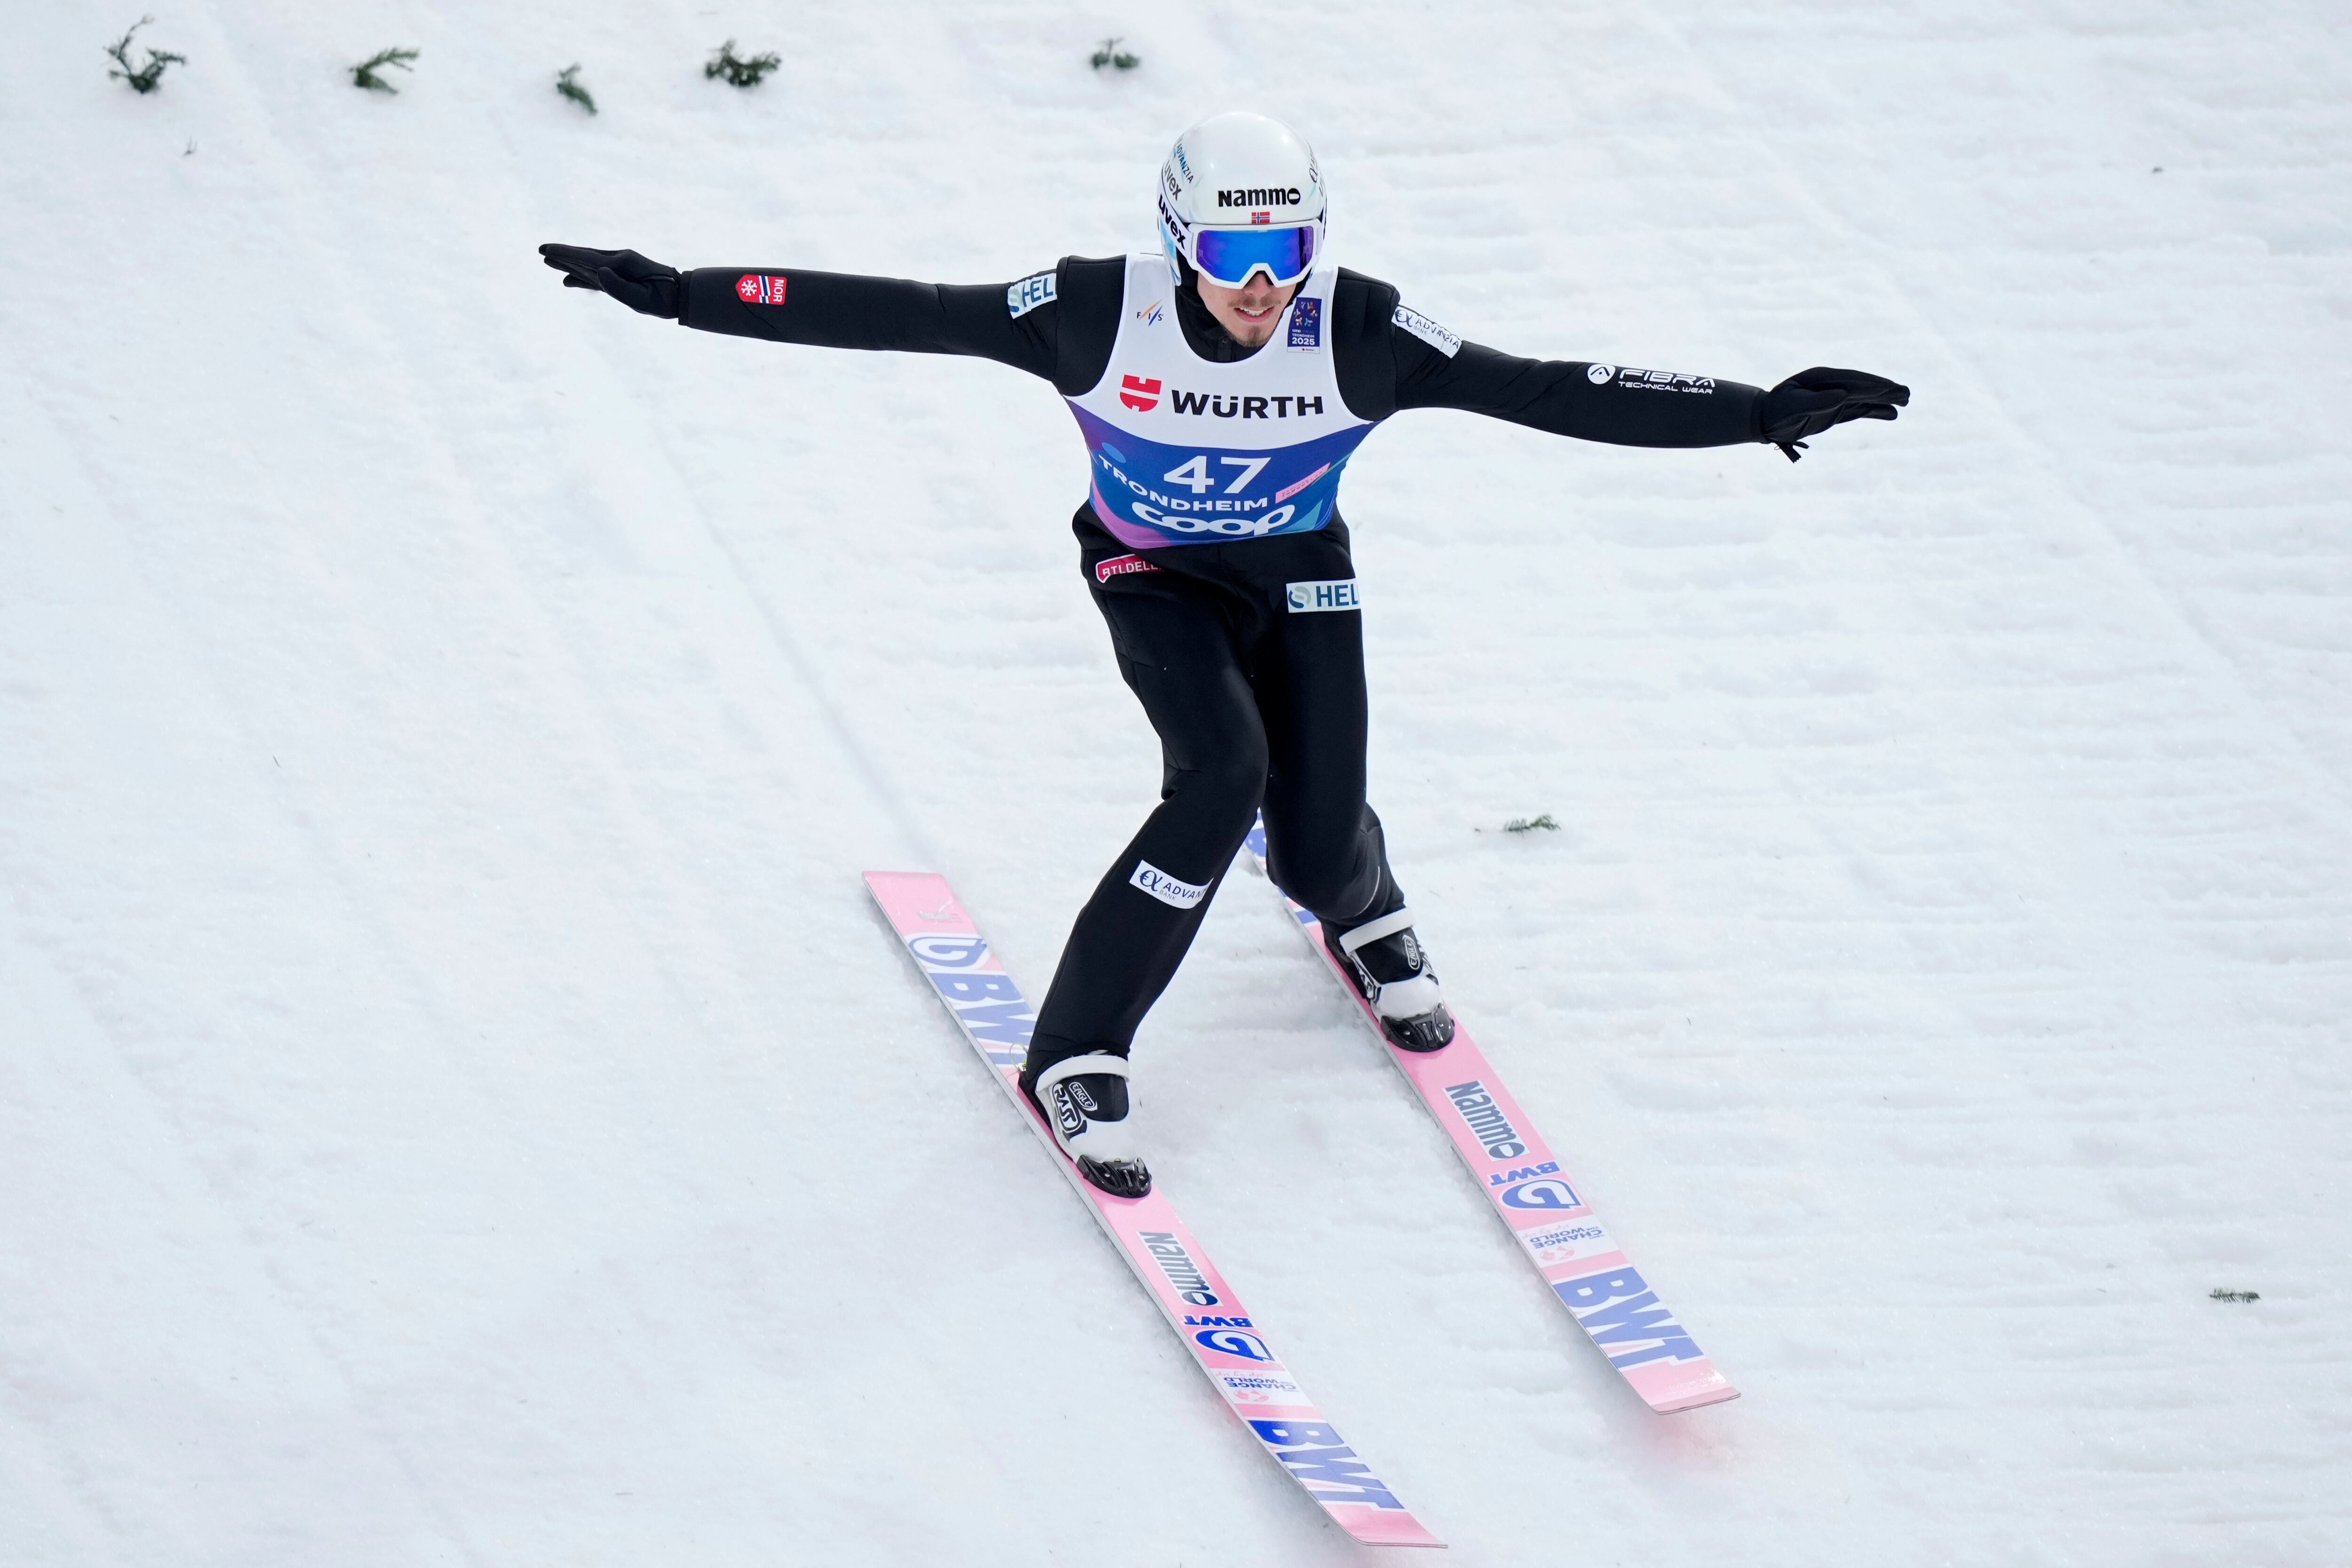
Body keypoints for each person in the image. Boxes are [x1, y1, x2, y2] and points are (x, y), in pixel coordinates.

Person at [541, 111, 1908, 1200]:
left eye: (1289, 259)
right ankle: (1077, 1054)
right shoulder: (1088, 311)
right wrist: (686, 297)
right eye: (1236, 263)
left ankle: (1363, 905)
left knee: (1314, 849)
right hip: (1153, 575)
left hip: (1302, 575)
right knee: (1217, 784)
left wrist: (1749, 411)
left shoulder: (1358, 328)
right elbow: (901, 306)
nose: (1263, 294)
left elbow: (1542, 386)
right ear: (1179, 244)